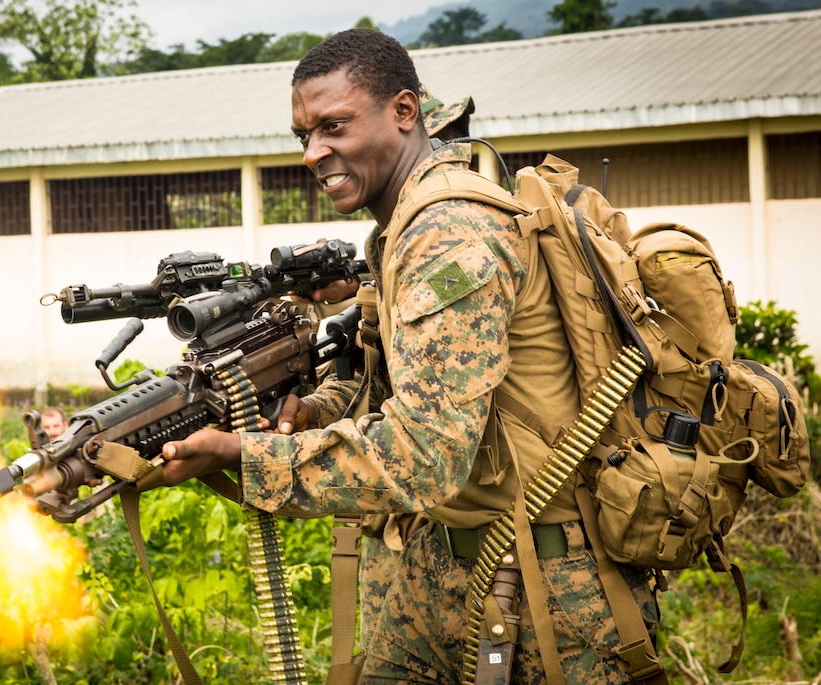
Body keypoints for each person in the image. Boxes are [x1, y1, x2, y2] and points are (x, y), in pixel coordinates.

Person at [160, 28, 658, 683]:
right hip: (435, 566)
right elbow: (402, 391)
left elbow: (427, 451)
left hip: (548, 595)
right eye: (302, 135)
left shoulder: (451, 234)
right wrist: (313, 413)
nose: (313, 153)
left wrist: (247, 458)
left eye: (333, 126)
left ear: (404, 111)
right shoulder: (401, 227)